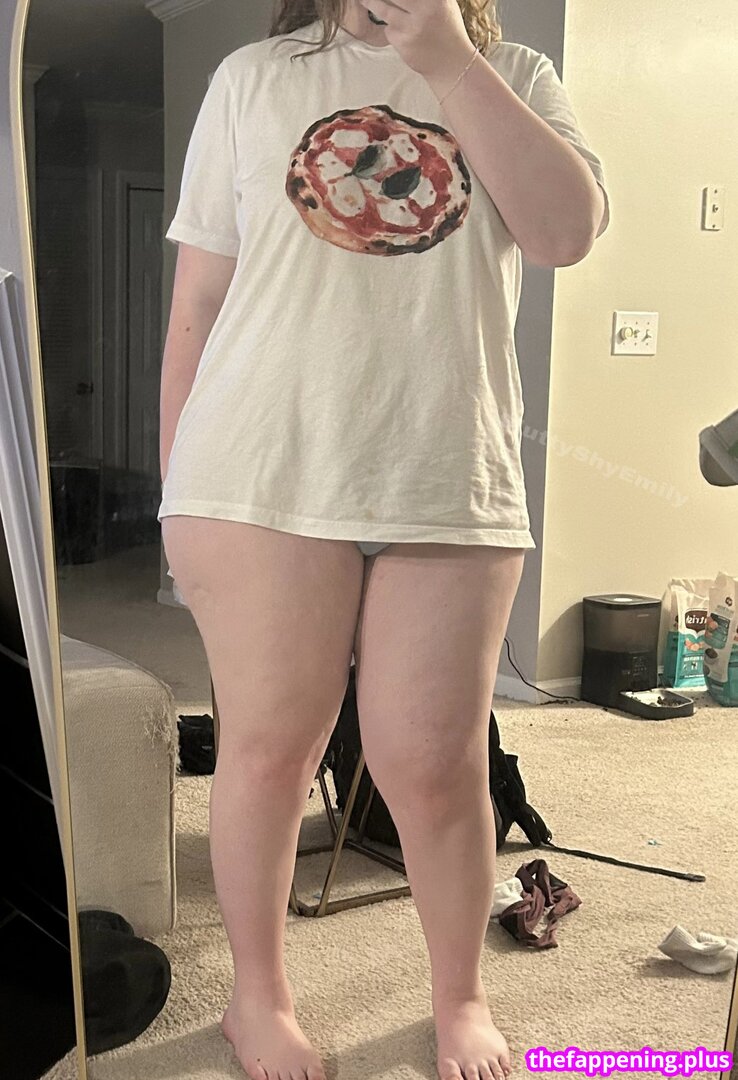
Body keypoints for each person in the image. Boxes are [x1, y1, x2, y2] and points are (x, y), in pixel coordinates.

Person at [158, 2, 609, 1078]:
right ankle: (257, 999)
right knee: (268, 750)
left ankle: (461, 997)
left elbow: (564, 234)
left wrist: (446, 58)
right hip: (257, 471)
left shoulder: (517, 74)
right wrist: (178, 481)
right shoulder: (254, 77)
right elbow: (201, 297)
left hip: (445, 474)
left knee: (435, 764)